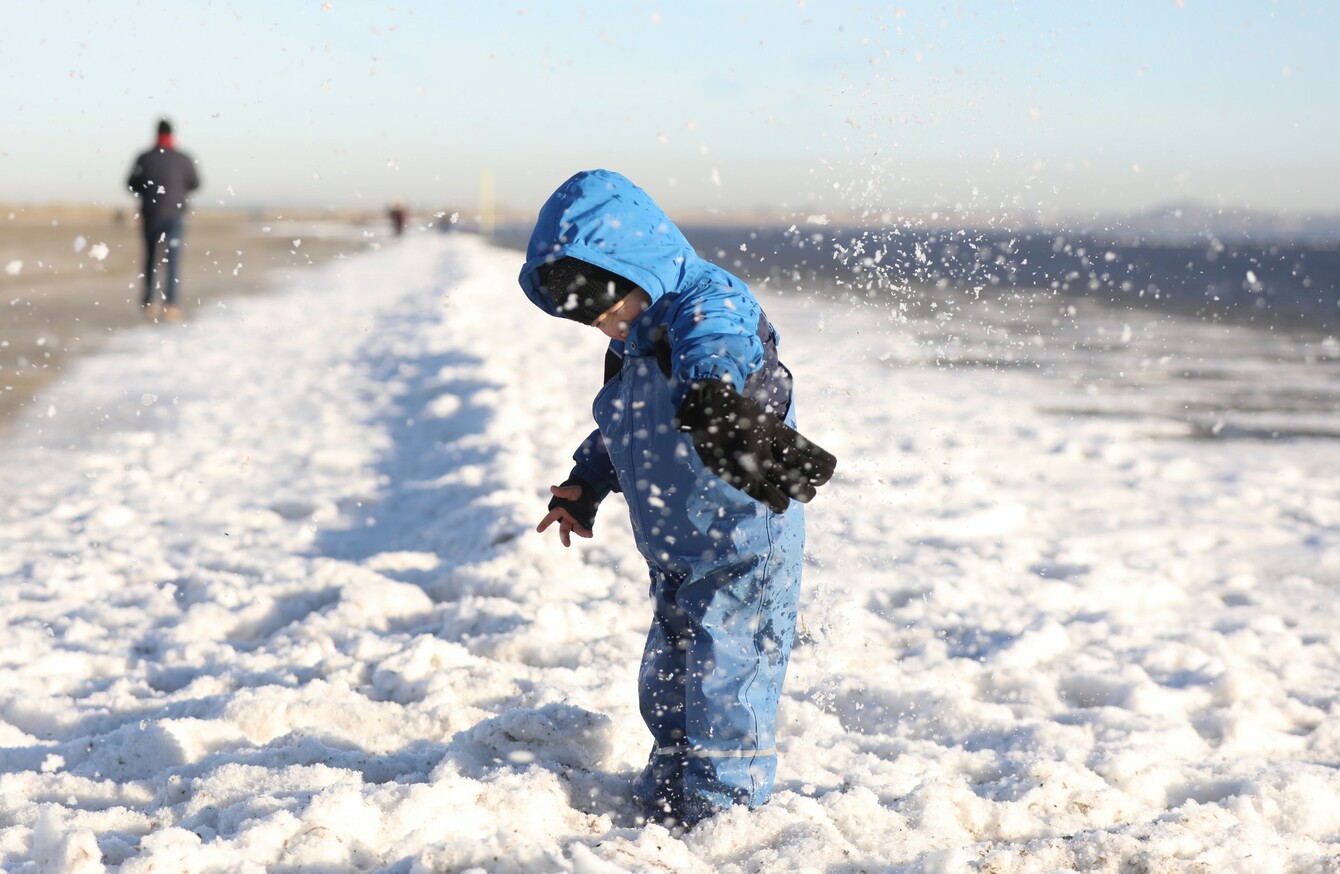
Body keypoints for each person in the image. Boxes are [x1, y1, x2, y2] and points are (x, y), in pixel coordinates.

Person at [517, 169, 836, 828]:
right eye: (587, 316)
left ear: (636, 264)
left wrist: (718, 404)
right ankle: (671, 783)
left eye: (607, 305)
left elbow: (715, 353)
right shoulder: (630, 344)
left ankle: (724, 816)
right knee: (668, 684)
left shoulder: (706, 302)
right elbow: (624, 426)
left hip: (742, 542)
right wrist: (584, 484)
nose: (603, 325)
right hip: (676, 550)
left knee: (727, 684)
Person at [126, 118, 200, 321]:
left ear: (155, 133)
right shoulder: (183, 159)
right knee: (173, 259)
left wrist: (147, 192)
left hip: (151, 213)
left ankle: (150, 302)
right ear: (172, 134)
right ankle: (171, 305)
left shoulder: (144, 157)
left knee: (150, 258)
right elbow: (195, 183)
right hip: (175, 214)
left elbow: (131, 184)